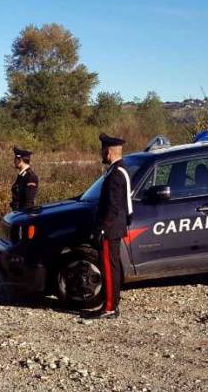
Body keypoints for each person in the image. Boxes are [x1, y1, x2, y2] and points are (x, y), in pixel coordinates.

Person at [92, 133, 132, 319]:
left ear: (108, 152)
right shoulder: (119, 170)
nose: (101, 153)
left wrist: (102, 229)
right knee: (112, 266)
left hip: (110, 229)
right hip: (114, 227)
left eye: (102, 150)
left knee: (109, 268)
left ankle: (109, 307)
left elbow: (113, 206)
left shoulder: (116, 174)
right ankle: (111, 302)